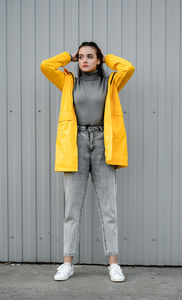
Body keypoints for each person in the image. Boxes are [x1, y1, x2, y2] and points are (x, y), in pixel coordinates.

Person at [40, 42, 135, 282]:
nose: (84, 60)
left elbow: (128, 67)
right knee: (72, 208)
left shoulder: (111, 82)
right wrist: (68, 57)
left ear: (99, 60)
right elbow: (46, 66)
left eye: (90, 56)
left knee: (108, 208)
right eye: (81, 57)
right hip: (76, 144)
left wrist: (107, 57)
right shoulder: (69, 81)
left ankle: (114, 263)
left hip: (104, 144)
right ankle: (67, 262)